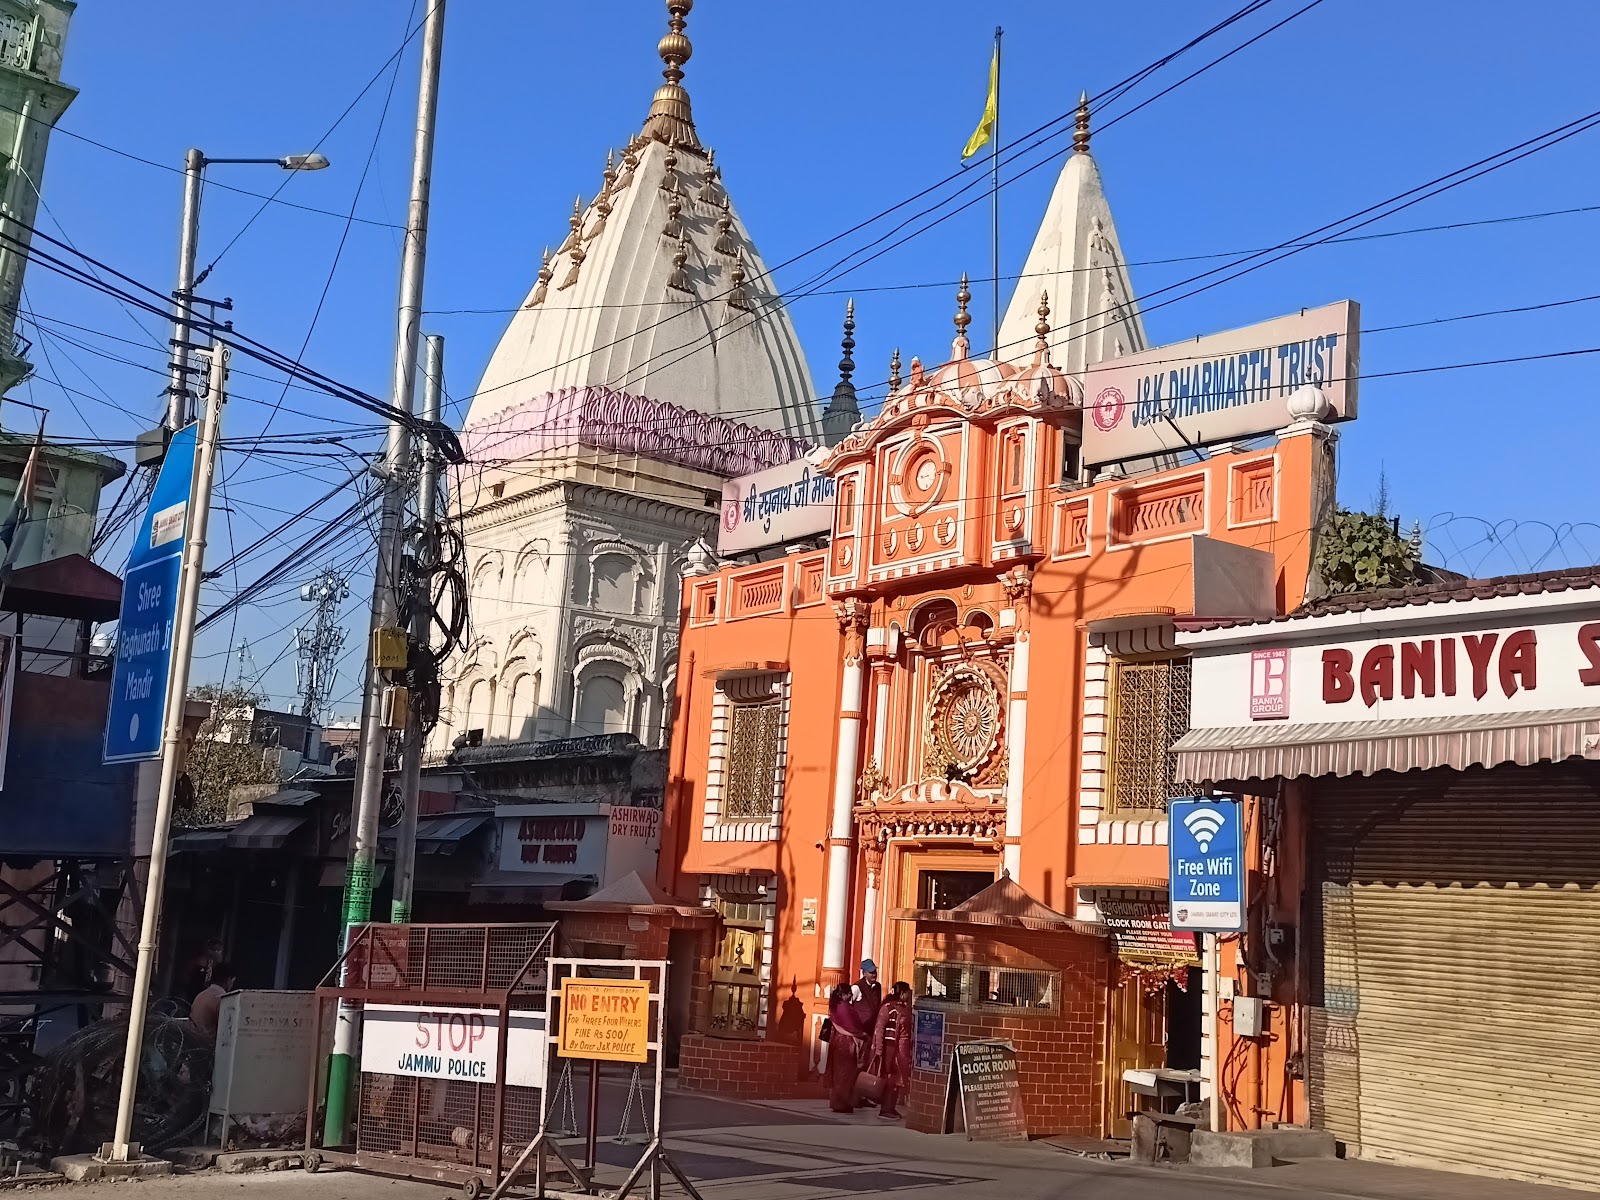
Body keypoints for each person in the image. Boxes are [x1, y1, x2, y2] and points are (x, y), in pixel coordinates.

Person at [870, 982, 914, 1119]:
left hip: (902, 1050)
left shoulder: (904, 1009)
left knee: (898, 1079)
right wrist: (879, 1050)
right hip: (891, 1049)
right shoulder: (888, 1008)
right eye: (907, 992)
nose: (909, 994)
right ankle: (886, 1109)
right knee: (891, 1078)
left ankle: (891, 1107)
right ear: (901, 993)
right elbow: (880, 1029)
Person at [826, 981, 869, 1113]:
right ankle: (842, 1102)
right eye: (849, 993)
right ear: (844, 994)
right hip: (846, 1043)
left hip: (839, 1042)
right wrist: (862, 1034)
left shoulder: (836, 1005)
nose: (851, 995)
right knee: (845, 1075)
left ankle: (839, 1101)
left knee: (840, 1074)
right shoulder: (844, 1007)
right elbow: (850, 1026)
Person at [189, 960, 238, 1043]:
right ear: (228, 980)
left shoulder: (201, 995)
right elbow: (227, 1032)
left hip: (192, 1044)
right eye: (232, 982)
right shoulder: (223, 999)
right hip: (208, 1049)